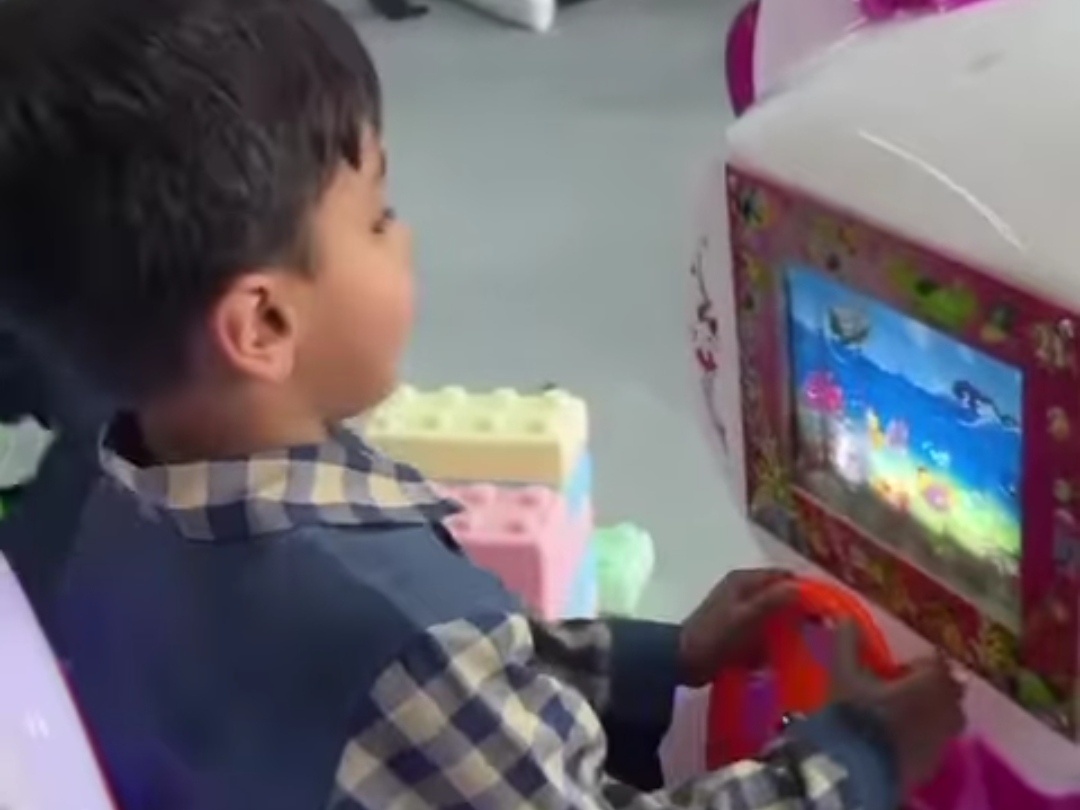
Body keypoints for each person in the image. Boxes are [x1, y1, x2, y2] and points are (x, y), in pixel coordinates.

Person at [0, 0, 966, 807]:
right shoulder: (392, 632)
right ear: (262, 323)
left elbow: (447, 700)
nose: (406, 238)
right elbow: (427, 687)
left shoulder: (101, 503)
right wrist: (858, 758)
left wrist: (658, 656)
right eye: (377, 218)